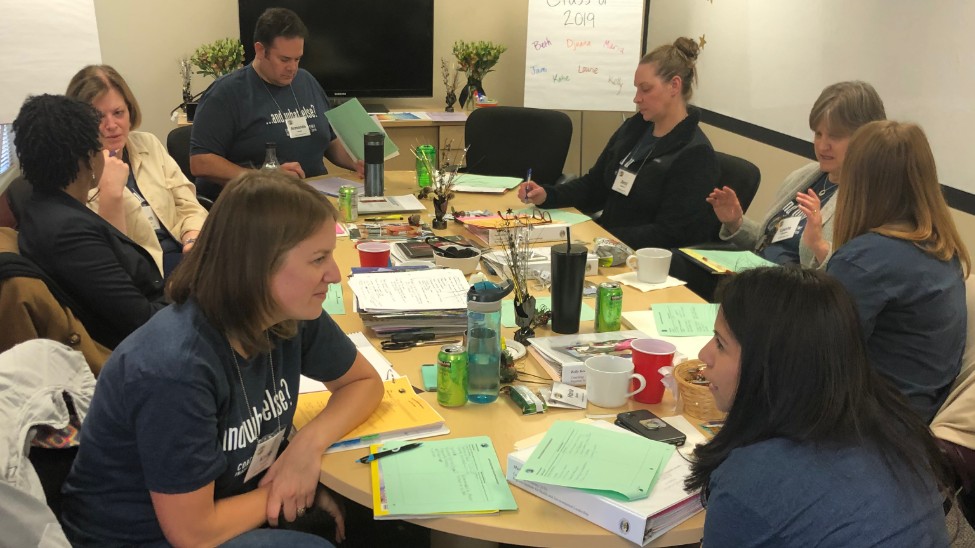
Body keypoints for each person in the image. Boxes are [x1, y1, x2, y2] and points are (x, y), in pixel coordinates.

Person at [60, 170, 385, 547]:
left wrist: (304, 449)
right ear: (258, 267)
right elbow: (194, 534)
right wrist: (288, 490)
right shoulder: (174, 368)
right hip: (147, 536)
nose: (334, 273)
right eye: (318, 259)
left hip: (225, 501)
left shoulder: (286, 312)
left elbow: (363, 383)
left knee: (371, 510)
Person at [688, 267, 949, 546]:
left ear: (772, 365)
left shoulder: (751, 482)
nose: (705, 355)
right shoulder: (896, 429)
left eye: (720, 343)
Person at [827, 120, 969, 423]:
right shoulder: (943, 250)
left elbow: (817, 365)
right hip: (911, 424)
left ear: (857, 181)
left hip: (864, 430)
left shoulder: (863, 261)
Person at [517, 37, 719, 250]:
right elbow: (594, 186)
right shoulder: (636, 128)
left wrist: (601, 237)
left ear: (674, 86)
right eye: (636, 89)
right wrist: (548, 195)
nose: (636, 98)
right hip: (607, 244)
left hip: (641, 261)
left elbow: (671, 233)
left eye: (646, 89)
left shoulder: (696, 154)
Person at [12, 94, 166, 349]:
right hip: (144, 349)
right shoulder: (68, 234)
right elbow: (143, 321)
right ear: (87, 158)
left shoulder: (44, 205)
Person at [707, 81, 886, 267]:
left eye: (835, 136)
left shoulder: (869, 201)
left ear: (865, 137)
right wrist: (737, 222)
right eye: (818, 134)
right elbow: (768, 242)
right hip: (758, 278)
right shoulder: (804, 176)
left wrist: (819, 246)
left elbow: (852, 274)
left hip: (796, 291)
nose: (822, 146)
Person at [190, 7, 362, 200]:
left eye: (298, 59)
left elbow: (329, 140)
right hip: (258, 201)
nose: (292, 68)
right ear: (260, 50)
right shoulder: (226, 93)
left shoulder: (306, 81)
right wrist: (263, 178)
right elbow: (201, 162)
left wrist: (357, 161)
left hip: (316, 197)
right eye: (284, 59)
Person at [67, 65, 209, 276]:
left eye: (118, 113)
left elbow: (187, 204)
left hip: (183, 249)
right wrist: (110, 191)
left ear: (130, 111)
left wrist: (192, 238)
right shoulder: (74, 173)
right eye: (97, 117)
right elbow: (105, 252)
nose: (111, 124)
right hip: (143, 270)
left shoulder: (147, 143)